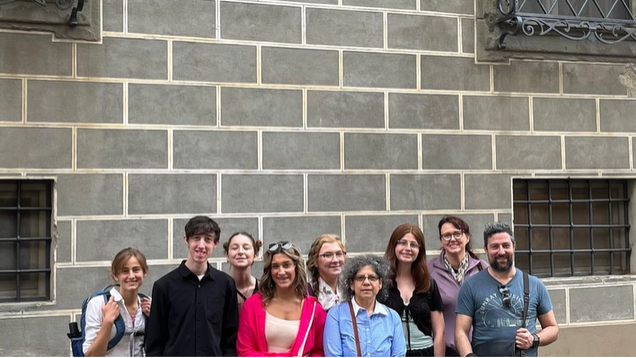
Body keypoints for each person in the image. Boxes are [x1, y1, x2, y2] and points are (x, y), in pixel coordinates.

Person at [455, 222, 559, 357]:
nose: (501, 251)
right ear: (485, 249)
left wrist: (533, 339)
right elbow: (460, 332)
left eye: (506, 245)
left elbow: (553, 328)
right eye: (494, 247)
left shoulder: (535, 285)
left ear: (514, 246)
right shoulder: (470, 285)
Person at [145, 216, 239, 356]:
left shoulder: (226, 284)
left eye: (207, 239)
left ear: (216, 243)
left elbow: (230, 337)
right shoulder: (164, 286)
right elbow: (154, 343)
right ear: (186, 240)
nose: (201, 245)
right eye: (196, 238)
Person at [237, 241, 326, 356]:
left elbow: (320, 351)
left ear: (296, 267)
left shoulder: (315, 309)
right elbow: (244, 351)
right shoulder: (252, 305)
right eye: (275, 266)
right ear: (270, 271)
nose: (281, 272)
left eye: (286, 265)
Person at [380, 224, 445, 357]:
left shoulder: (428, 284)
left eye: (414, 245)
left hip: (425, 352)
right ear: (394, 246)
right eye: (402, 243)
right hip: (390, 352)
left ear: (420, 250)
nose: (408, 248)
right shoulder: (380, 283)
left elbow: (439, 332)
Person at [427, 216, 489, 357]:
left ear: (467, 237)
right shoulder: (428, 270)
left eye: (457, 234)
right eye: (447, 235)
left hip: (477, 350)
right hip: (443, 350)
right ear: (441, 240)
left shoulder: (483, 270)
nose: (452, 239)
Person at [324, 255, 406, 357]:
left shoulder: (392, 317)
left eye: (372, 278)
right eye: (360, 278)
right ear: (351, 284)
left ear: (380, 283)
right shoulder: (336, 315)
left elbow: (399, 355)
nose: (366, 282)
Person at [82, 247, 152, 357]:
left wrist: (155, 320)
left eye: (136, 269)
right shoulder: (98, 304)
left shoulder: (149, 304)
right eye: (124, 271)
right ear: (115, 275)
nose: (131, 276)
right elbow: (91, 355)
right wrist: (108, 321)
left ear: (145, 272)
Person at [223, 231, 262, 312]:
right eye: (234, 248)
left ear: (255, 255)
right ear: (227, 255)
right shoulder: (219, 289)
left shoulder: (264, 289)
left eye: (246, 248)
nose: (240, 252)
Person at [306, 234, 346, 311]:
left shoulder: (352, 289)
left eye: (339, 254)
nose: (335, 260)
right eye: (328, 255)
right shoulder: (306, 293)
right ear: (315, 261)